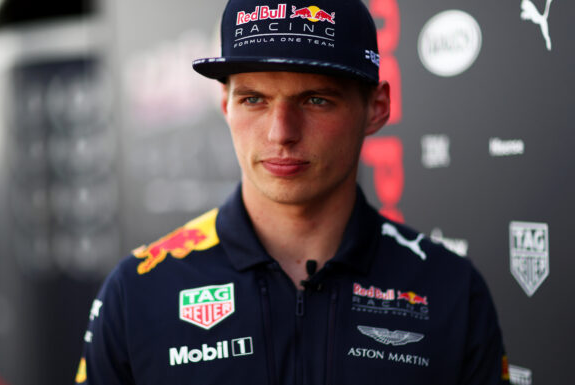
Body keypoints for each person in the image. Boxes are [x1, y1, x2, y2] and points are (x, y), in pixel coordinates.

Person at [75, 0, 510, 384]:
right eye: (254, 100)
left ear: (376, 108)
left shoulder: (450, 289)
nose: (281, 133)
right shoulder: (139, 291)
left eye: (315, 100)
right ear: (225, 104)